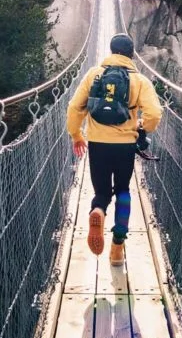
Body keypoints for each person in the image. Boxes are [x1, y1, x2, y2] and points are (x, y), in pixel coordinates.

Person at [67, 33, 162, 265]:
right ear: (132, 55)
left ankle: (98, 210)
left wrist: (76, 134)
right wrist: (142, 127)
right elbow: (154, 114)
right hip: (125, 147)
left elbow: (74, 107)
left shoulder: (93, 74)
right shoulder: (140, 81)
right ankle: (117, 246)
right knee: (123, 192)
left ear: (110, 52)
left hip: (98, 144)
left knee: (101, 192)